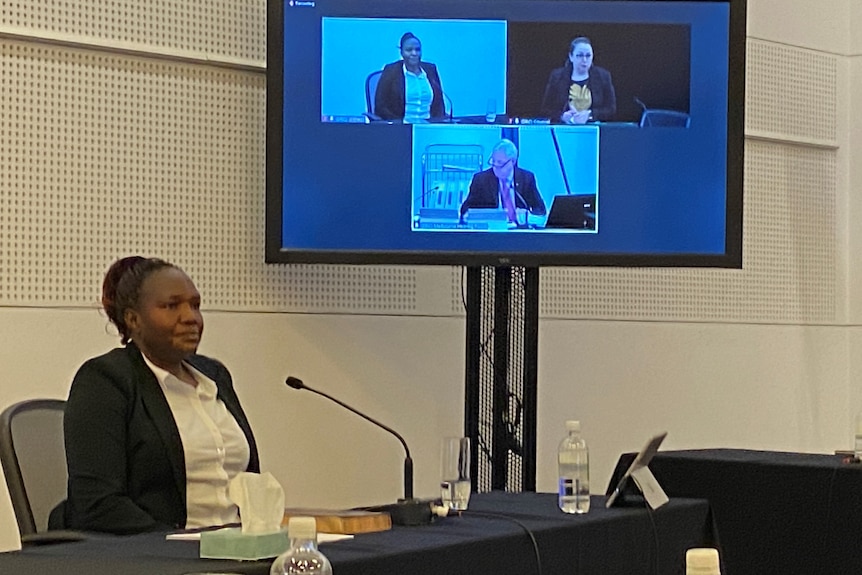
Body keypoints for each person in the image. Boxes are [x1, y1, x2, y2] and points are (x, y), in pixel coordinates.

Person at [51, 256, 260, 534]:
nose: (191, 318)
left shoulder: (214, 376)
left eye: (195, 305)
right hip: (160, 555)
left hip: (237, 550)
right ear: (133, 319)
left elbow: (249, 483)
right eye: (172, 306)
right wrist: (178, 542)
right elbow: (97, 504)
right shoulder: (105, 381)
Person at [459, 139, 547, 226]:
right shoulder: (481, 179)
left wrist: (527, 216)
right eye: (493, 161)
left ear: (512, 161)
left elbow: (540, 210)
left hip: (520, 232)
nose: (495, 167)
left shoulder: (526, 178)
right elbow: (465, 209)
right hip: (492, 232)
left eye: (500, 163)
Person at [540, 37, 616, 124]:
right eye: (580, 55)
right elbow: (545, 109)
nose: (584, 60)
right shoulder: (557, 76)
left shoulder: (603, 76)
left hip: (594, 129)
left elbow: (611, 109)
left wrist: (590, 114)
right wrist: (562, 116)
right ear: (571, 57)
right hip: (564, 128)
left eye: (588, 56)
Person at [374, 32, 446, 122]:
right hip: (400, 127)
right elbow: (380, 105)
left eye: (417, 49)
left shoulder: (430, 70)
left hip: (428, 126)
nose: (414, 53)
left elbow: (439, 104)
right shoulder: (391, 71)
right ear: (401, 52)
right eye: (409, 50)